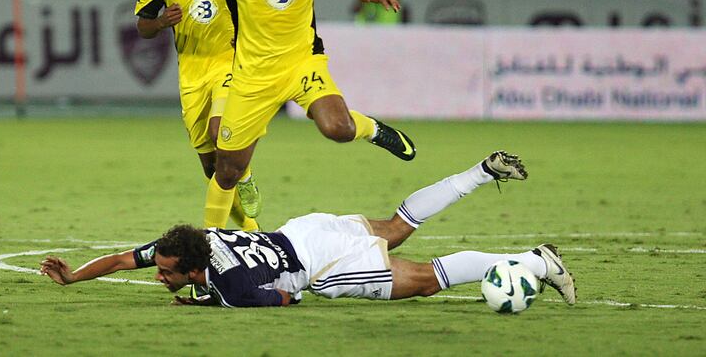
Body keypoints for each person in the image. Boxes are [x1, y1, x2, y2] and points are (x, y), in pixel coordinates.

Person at [164, 0, 417, 229]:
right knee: (227, 170)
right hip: (253, 73)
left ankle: (372, 129)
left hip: (302, 62)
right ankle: (211, 251)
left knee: (339, 129)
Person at [40, 151, 577, 308]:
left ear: (193, 268)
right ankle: (479, 172)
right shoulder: (190, 245)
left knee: (425, 279)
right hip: (306, 229)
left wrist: (208, 301)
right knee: (396, 224)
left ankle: (534, 262)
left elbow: (283, 301)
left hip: (319, 266)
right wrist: (73, 278)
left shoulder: (229, 290)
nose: (156, 274)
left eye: (164, 272)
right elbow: (116, 260)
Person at [134, 0, 258, 234]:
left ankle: (245, 177)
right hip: (191, 70)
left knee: (222, 135)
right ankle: (252, 228)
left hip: (227, 61)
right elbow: (143, 26)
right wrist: (161, 23)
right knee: (211, 168)